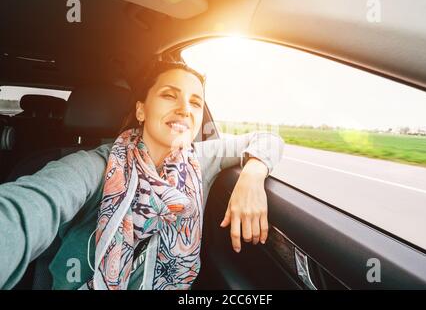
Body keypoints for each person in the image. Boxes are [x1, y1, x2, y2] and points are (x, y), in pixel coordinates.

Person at [0, 60, 284, 290]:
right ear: (141, 110)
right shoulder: (95, 166)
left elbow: (267, 139)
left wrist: (252, 175)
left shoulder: (201, 159)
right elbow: (28, 207)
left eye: (196, 102)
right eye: (169, 95)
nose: (185, 109)